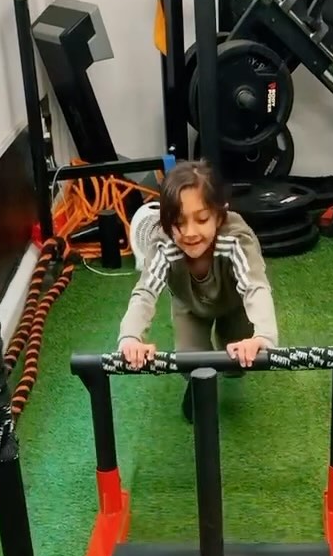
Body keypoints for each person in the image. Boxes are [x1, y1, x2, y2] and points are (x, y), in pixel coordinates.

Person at [118, 159, 279, 420]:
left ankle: (229, 349)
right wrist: (130, 338)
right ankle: (200, 381)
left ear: (220, 214)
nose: (190, 232)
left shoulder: (235, 237)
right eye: (179, 222)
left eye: (202, 219)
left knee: (237, 364)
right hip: (189, 305)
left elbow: (255, 287)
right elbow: (145, 292)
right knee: (191, 365)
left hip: (234, 302)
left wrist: (264, 336)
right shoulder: (164, 242)